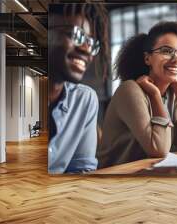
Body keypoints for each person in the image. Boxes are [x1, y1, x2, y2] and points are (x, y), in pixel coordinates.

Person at [97, 21, 177, 168]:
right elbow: (158, 149)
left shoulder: (172, 93)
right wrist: (154, 95)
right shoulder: (130, 90)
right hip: (114, 181)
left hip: (149, 177)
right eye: (166, 51)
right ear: (148, 58)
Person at [48, 4, 109, 174]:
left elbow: (82, 170)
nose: (86, 49)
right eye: (77, 35)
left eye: (91, 42)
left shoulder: (84, 99)